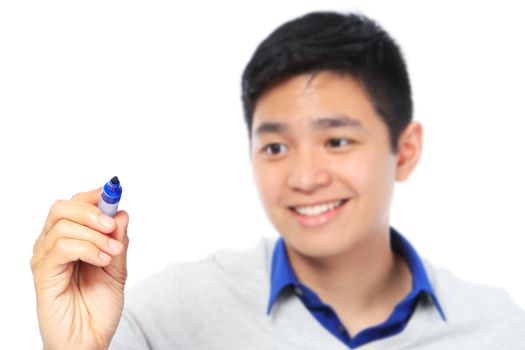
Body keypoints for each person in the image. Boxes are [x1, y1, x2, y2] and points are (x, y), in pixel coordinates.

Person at [31, 11, 525, 350]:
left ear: (406, 150)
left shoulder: (498, 327)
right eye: (275, 147)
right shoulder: (162, 317)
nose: (305, 178)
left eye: (337, 141)